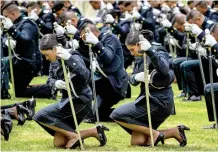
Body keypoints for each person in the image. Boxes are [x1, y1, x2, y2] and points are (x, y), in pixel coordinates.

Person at [110, 30, 189, 147]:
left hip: (159, 101)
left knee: (116, 114)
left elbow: (165, 70)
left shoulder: (157, 50)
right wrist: (137, 77)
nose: (131, 53)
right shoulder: (139, 54)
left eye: (132, 49)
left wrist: (150, 51)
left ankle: (154, 134)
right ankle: (174, 132)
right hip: (147, 100)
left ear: (139, 44)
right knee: (138, 142)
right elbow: (132, 80)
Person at [33, 34, 109, 149]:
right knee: (59, 143)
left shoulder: (73, 56)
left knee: (40, 115)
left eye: (47, 55)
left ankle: (74, 136)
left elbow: (87, 76)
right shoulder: (54, 59)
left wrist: (69, 59)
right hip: (66, 101)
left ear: (55, 49)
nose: (46, 58)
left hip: (80, 101)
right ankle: (93, 131)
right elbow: (49, 79)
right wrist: (55, 83)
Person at [80, 23, 129, 122]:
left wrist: (97, 43)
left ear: (92, 33)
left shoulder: (110, 38)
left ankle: (128, 114)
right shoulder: (95, 41)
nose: (82, 39)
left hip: (114, 84)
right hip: (104, 83)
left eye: (84, 36)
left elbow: (108, 58)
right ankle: (124, 114)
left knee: (94, 115)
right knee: (99, 115)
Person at [1, 2, 41, 97]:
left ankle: (3, 92)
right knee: (20, 92)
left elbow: (26, 40)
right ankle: (48, 88)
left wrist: (11, 29)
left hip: (28, 63)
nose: (4, 19)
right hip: (19, 61)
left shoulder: (28, 23)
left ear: (13, 14)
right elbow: (3, 37)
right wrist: (5, 40)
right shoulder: (14, 23)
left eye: (6, 16)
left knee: (3, 62)